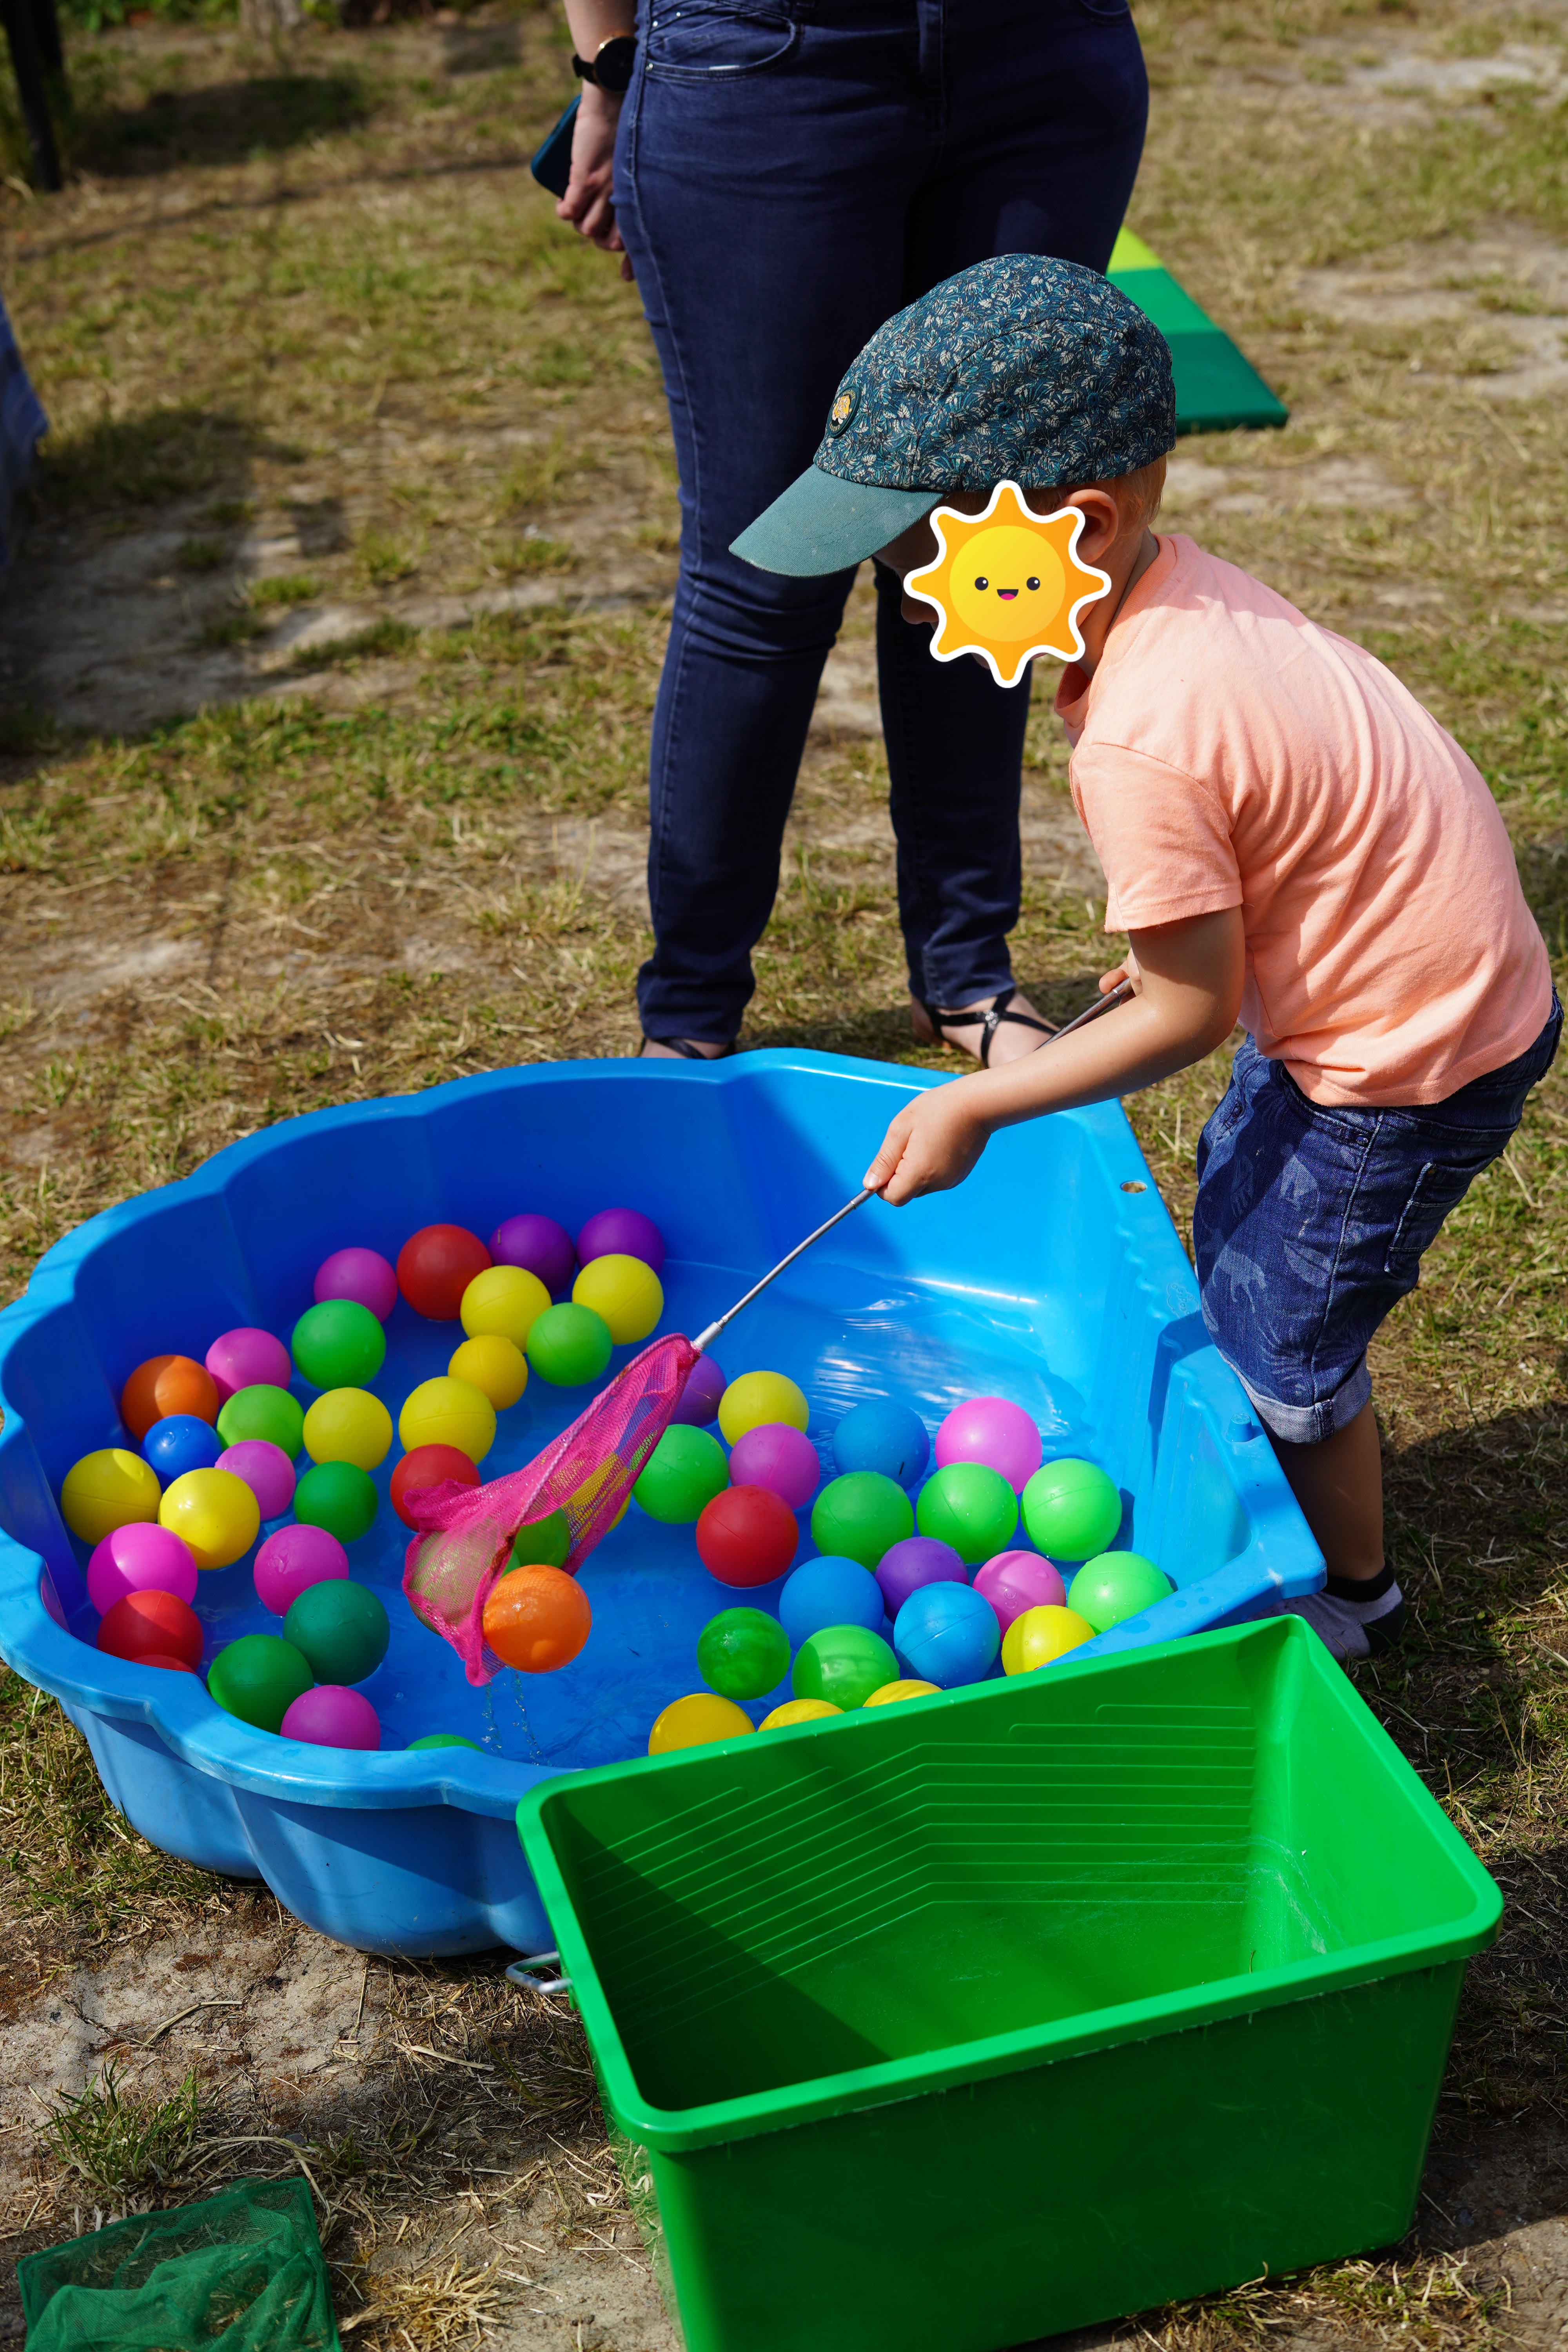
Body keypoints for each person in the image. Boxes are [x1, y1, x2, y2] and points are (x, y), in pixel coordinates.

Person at [737, 253, 1558, 1664]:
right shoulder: (1175, 598)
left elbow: (1192, 1010)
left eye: (921, 553)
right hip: (1388, 984)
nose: (907, 592)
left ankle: (1354, 1601)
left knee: (1283, 1343)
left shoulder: (1143, 734)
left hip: (1408, 1051)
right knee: (1240, 1228)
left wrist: (979, 1099)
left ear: (1083, 523)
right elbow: (1258, 887)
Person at [555, 0, 1149, 1063]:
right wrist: (607, 64)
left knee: (987, 544)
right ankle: (690, 1014)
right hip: (766, 62)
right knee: (767, 572)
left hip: (1045, 57)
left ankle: (966, 973)